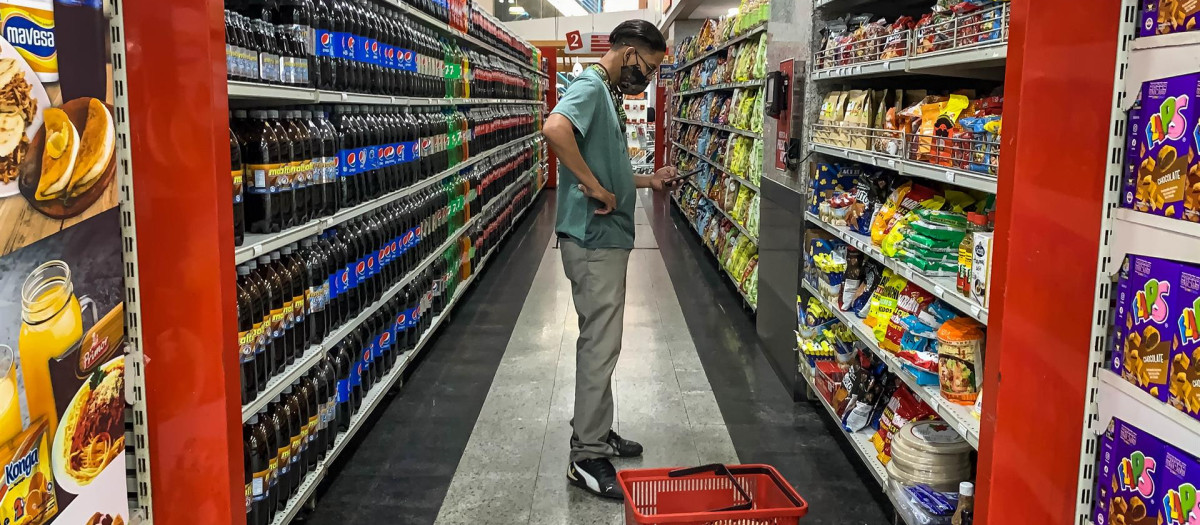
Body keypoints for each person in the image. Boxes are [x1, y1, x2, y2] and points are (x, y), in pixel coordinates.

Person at [542, 20, 678, 500]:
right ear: (628, 51)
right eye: (650, 66)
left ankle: (597, 428)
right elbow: (555, 129)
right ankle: (586, 455)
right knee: (600, 344)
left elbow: (609, 161)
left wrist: (644, 181)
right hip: (594, 237)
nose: (649, 77)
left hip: (604, 235)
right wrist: (595, 188)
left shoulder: (606, 93)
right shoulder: (590, 86)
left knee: (603, 342)